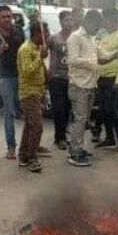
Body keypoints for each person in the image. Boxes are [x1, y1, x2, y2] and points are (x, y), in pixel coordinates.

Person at [66, 10, 118, 167]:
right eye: (97, 25)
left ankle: (78, 148)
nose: (99, 28)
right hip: (78, 85)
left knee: (84, 120)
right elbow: (73, 60)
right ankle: (74, 153)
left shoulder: (92, 38)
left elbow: (101, 56)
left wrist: (113, 55)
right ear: (89, 22)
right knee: (80, 119)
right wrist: (93, 63)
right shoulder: (75, 37)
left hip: (90, 85)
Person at [0, 5, 25, 159]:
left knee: (29, 110)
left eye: (9, 16)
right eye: (4, 17)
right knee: (10, 112)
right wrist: (0, 52)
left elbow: (26, 49)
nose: (8, 19)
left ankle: (31, 143)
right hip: (6, 77)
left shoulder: (18, 31)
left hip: (22, 74)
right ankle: (11, 146)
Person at [17, 21, 50, 172]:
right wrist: (40, 58)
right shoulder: (25, 49)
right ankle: (32, 158)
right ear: (37, 34)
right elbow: (27, 71)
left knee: (30, 125)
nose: (47, 37)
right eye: (45, 34)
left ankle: (23, 155)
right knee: (37, 126)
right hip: (29, 93)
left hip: (37, 92)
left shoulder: (37, 48)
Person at [95, 9, 118, 151]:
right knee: (103, 110)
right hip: (101, 78)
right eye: (104, 20)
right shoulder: (104, 36)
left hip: (112, 78)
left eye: (107, 20)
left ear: (114, 21)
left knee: (112, 110)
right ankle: (109, 138)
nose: (105, 23)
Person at [48, 10, 74, 150]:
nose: (69, 22)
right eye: (66, 20)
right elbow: (46, 53)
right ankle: (59, 138)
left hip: (71, 78)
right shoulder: (54, 38)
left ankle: (63, 135)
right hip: (57, 78)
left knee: (68, 109)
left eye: (71, 20)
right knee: (59, 109)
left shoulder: (76, 38)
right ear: (61, 22)